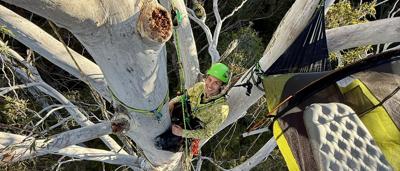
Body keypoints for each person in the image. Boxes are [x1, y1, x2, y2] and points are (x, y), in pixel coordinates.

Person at [168, 63, 230, 139]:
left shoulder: (222, 109)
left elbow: (207, 133)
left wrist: (182, 133)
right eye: (210, 79)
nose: (210, 85)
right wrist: (172, 102)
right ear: (206, 78)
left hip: (191, 130)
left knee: (162, 142)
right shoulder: (200, 86)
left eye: (216, 83)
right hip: (182, 113)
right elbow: (185, 96)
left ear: (222, 86)